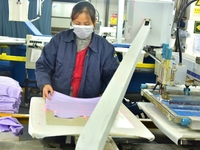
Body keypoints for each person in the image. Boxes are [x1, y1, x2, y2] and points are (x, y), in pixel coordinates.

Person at [35, 1, 119, 100]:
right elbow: (43, 66)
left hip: (88, 104)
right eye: (77, 23)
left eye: (87, 24)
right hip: (58, 100)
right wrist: (45, 83)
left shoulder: (105, 48)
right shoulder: (59, 41)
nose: (82, 27)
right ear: (72, 21)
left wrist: (110, 96)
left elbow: (113, 76)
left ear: (94, 22)